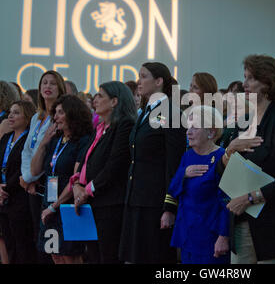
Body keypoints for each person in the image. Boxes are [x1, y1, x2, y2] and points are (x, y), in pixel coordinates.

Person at [219, 54, 275, 264]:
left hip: (272, 221)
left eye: (251, 78)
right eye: (244, 77)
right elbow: (223, 172)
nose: (244, 84)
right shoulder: (244, 121)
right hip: (240, 218)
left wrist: (249, 198)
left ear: (268, 82)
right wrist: (229, 151)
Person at [119, 62, 186, 264]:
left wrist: (169, 206)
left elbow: (174, 163)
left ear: (158, 81)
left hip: (155, 202)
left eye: (144, 76)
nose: (139, 81)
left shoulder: (170, 113)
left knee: (154, 257)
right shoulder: (147, 111)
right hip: (136, 198)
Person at [69, 81, 136, 264]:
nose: (94, 99)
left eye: (100, 95)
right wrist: (76, 184)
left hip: (110, 204)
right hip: (91, 203)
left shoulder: (125, 124)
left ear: (114, 101)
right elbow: (85, 161)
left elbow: (114, 165)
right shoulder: (99, 127)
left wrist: (86, 190)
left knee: (108, 257)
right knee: (92, 257)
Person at [161, 105, 230, 264]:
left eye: (195, 127)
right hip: (187, 232)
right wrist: (183, 174)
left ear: (211, 132)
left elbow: (227, 201)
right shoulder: (188, 156)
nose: (188, 132)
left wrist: (223, 235)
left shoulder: (223, 158)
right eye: (188, 127)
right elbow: (173, 187)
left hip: (210, 235)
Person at [30, 95, 93, 264]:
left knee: (70, 255)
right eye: (55, 113)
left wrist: (54, 206)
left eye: (60, 113)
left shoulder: (83, 140)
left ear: (73, 114)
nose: (55, 117)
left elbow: (76, 178)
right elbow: (34, 170)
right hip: (49, 204)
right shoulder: (55, 140)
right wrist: (44, 142)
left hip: (69, 206)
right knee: (55, 254)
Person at [20, 70, 66, 264]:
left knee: (51, 242)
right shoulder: (36, 118)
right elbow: (26, 151)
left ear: (60, 89)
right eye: (44, 83)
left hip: (48, 185)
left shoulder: (59, 117)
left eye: (52, 83)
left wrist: (31, 177)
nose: (47, 86)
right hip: (31, 184)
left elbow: (51, 154)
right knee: (36, 238)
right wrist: (26, 178)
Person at [0, 101, 36, 264]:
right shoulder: (6, 138)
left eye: (16, 113)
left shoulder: (29, 140)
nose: (10, 116)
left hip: (19, 197)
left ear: (27, 117)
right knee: (9, 244)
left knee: (23, 245)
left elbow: (24, 168)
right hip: (2, 199)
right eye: (10, 112)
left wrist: (6, 187)